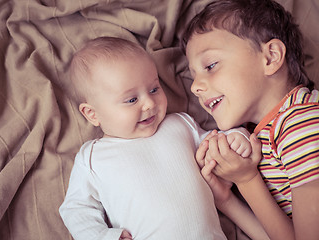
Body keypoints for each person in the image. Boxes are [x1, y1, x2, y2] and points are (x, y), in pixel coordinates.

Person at [59, 36, 263, 240]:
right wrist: (103, 236)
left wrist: (236, 137)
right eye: (131, 99)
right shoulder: (93, 157)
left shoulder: (180, 124)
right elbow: (76, 209)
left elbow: (215, 145)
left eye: (154, 89)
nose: (149, 103)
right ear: (92, 114)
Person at [182, 0, 319, 239]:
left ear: (270, 57)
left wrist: (247, 179)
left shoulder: (302, 122)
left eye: (211, 65)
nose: (195, 87)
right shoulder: (264, 132)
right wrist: (226, 200)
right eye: (193, 75)